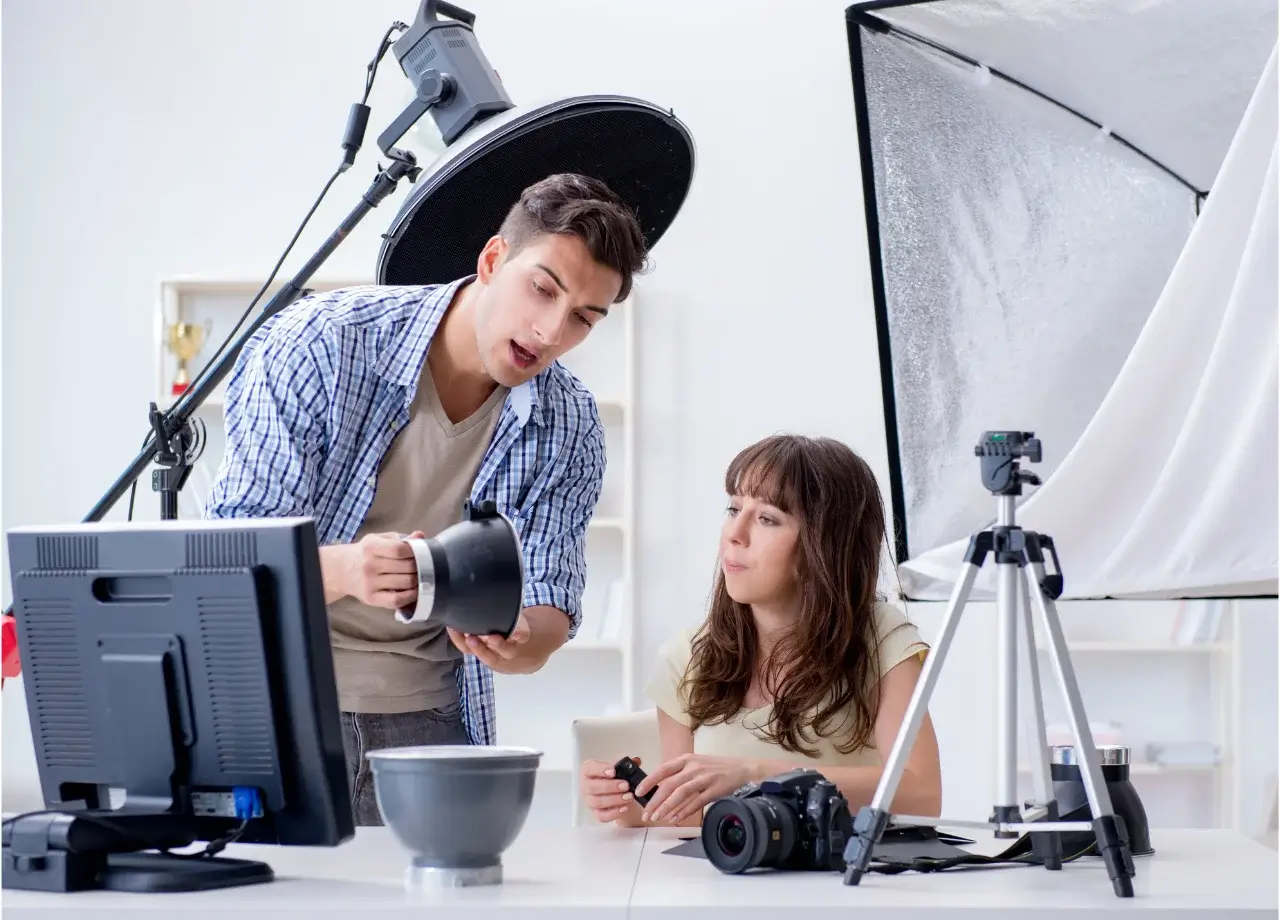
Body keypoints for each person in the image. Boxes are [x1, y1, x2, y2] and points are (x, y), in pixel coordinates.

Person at [205, 173, 648, 826]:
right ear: (493, 259)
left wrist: (520, 636)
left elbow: (552, 601)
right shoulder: (319, 345)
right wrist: (350, 569)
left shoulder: (570, 422)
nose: (552, 331)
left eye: (585, 317)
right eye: (543, 289)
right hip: (273, 719)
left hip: (430, 729)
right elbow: (229, 565)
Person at [581, 434, 943, 827]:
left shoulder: (884, 639)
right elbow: (686, 817)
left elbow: (920, 794)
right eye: (733, 508)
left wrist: (755, 775)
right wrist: (624, 802)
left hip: (851, 884)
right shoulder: (685, 657)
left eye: (767, 518)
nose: (735, 533)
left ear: (825, 545)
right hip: (734, 883)